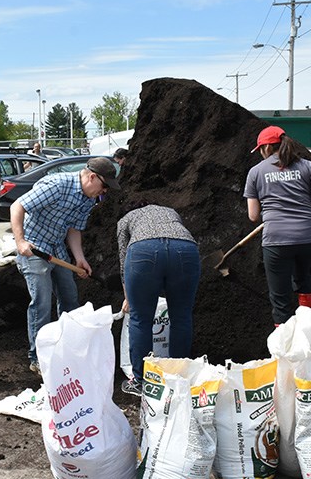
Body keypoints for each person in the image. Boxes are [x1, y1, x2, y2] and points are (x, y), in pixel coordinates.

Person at [11, 156, 120, 373]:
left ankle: (67, 348)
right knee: (41, 301)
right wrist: (20, 241)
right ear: (92, 177)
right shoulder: (58, 186)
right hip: (34, 248)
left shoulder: (88, 199)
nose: (105, 192)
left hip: (57, 248)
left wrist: (79, 258)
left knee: (70, 298)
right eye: (104, 186)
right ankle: (38, 358)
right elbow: (17, 206)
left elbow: (73, 229)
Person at [244, 126, 311, 328]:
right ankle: (310, 331)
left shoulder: (256, 172)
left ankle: (286, 346)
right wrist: (310, 192)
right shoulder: (307, 166)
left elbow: (253, 216)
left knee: (280, 296)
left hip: (277, 239)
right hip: (308, 236)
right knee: (303, 278)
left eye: (261, 149)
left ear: (267, 147)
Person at [117, 203, 200, 396]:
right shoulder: (172, 212)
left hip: (143, 251)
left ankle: (141, 381)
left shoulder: (125, 220)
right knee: (181, 317)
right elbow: (171, 241)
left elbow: (123, 259)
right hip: (185, 249)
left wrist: (128, 297)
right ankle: (180, 378)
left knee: (141, 318)